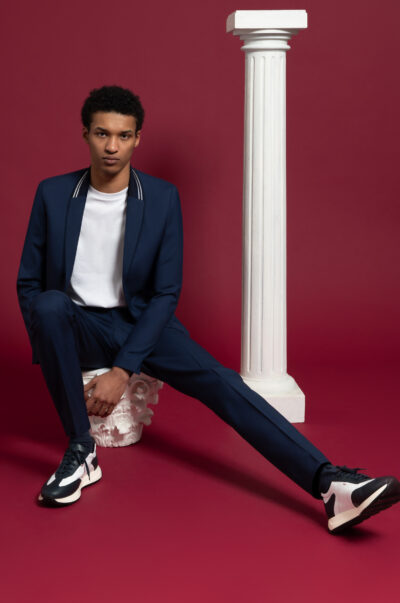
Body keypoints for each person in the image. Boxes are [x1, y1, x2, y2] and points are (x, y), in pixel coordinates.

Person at [16, 85, 400, 534]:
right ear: (85, 134)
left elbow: (165, 293)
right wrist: (54, 347)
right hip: (77, 323)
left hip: (141, 324)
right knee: (48, 303)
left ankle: (330, 484)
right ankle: (82, 451)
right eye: (102, 134)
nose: (112, 147)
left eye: (123, 135)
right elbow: (28, 284)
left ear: (138, 138)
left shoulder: (161, 198)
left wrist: (122, 369)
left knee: (223, 383)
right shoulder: (53, 194)